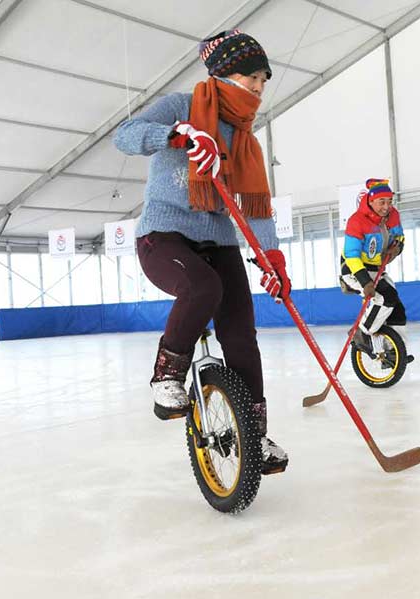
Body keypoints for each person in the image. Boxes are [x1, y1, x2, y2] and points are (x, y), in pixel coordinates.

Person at [113, 29, 289, 474]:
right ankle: (168, 374)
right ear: (225, 72)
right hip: (164, 237)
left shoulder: (245, 138)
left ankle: (254, 431)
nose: (258, 86)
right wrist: (178, 135)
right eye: (251, 75)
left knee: (241, 335)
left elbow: (257, 209)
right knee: (201, 286)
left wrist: (272, 259)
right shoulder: (182, 106)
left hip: (219, 242)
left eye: (264, 79)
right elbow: (125, 135)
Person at [339, 179, 409, 361]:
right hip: (355, 270)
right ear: (370, 201)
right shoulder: (357, 221)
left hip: (377, 269)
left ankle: (394, 353)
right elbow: (352, 255)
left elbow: (399, 237)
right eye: (381, 202)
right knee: (385, 299)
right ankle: (361, 334)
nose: (386, 207)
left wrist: (397, 248)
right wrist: (365, 282)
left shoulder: (393, 216)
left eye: (389, 201)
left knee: (397, 309)